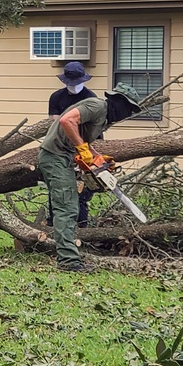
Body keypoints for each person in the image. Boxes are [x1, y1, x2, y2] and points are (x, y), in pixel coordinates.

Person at [37, 82, 143, 273]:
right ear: (118, 102)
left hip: (64, 157)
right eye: (128, 109)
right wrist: (82, 148)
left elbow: (82, 139)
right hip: (54, 156)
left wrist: (96, 157)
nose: (127, 114)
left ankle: (70, 256)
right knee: (66, 207)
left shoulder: (104, 119)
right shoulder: (96, 106)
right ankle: (68, 262)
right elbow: (66, 121)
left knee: (71, 206)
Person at [46, 62, 97, 227]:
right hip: (60, 147)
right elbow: (56, 124)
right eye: (70, 83)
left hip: (83, 145)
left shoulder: (91, 98)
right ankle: (53, 224)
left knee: (82, 191)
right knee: (57, 189)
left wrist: (84, 148)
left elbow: (92, 128)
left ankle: (82, 226)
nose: (73, 87)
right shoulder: (56, 97)